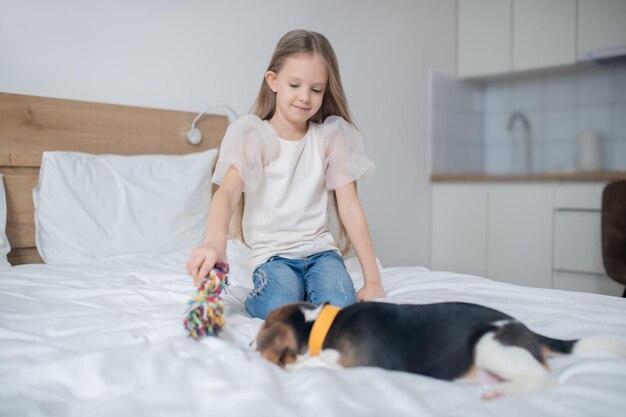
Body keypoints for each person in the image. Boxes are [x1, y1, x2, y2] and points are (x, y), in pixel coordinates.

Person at [186, 29, 386, 319]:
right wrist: (214, 241)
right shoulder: (252, 135)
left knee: (341, 306)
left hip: (322, 254)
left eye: (316, 89)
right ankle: (282, 292)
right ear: (274, 81)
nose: (305, 97)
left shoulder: (331, 138)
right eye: (295, 84)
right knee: (277, 306)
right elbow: (227, 193)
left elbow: (350, 208)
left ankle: (310, 288)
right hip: (273, 257)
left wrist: (373, 281)